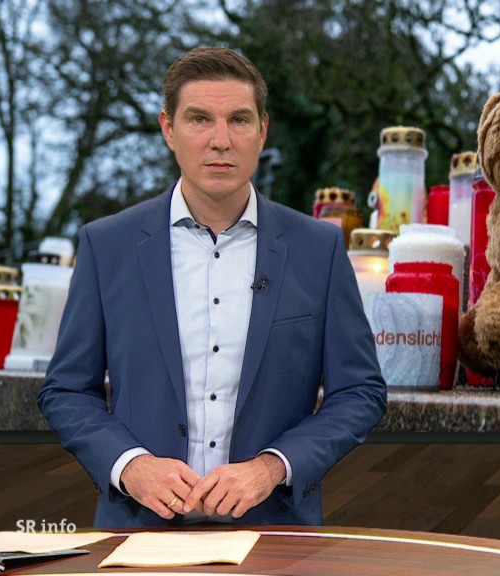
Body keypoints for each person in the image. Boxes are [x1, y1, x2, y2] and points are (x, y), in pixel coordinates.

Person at [38, 47, 387, 528]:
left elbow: (360, 391)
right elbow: (66, 391)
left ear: (262, 131)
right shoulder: (107, 246)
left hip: (275, 535)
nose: (220, 141)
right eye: (199, 119)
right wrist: (130, 467)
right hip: (139, 534)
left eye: (239, 120)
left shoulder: (319, 249)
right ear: (168, 129)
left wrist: (272, 468)